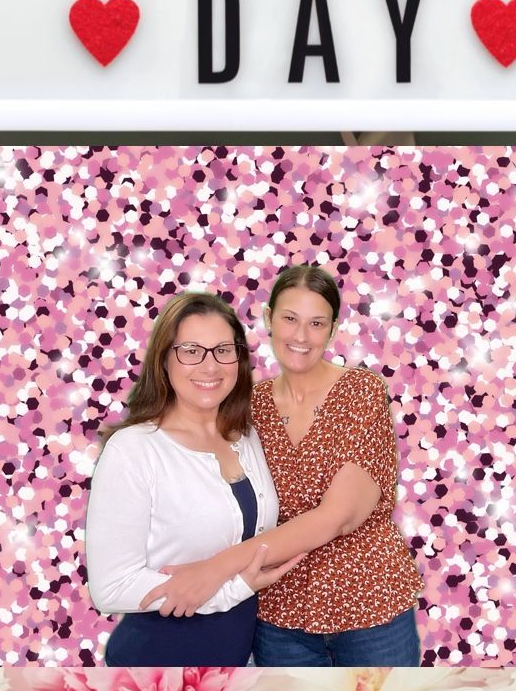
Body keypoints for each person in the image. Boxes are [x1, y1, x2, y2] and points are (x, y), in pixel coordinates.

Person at [142, 264, 425, 666]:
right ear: (269, 318)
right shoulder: (246, 404)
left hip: (370, 612)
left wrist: (213, 570)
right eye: (290, 319)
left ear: (332, 329)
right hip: (278, 615)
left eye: (316, 323)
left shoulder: (361, 392)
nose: (301, 336)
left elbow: (336, 518)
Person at [84, 290, 299, 665]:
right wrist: (234, 588)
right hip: (155, 663)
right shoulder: (133, 451)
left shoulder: (245, 437)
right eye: (191, 351)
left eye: (223, 350)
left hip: (239, 663)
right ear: (164, 360)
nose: (210, 366)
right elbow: (111, 587)